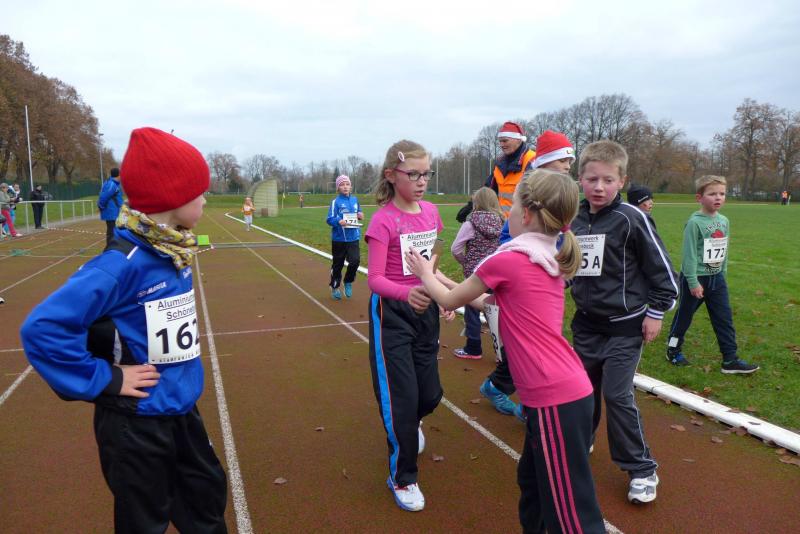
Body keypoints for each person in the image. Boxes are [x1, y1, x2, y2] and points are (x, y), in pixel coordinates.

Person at [20, 127, 228, 533]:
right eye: (199, 192)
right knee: (143, 521)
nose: (205, 199)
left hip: (181, 409)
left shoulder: (173, 248)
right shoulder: (119, 264)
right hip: (136, 422)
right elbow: (42, 328)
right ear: (172, 197)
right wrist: (106, 378)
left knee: (206, 505)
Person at [406, 169, 606, 533]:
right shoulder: (547, 253)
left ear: (526, 214)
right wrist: (439, 279)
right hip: (565, 391)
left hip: (554, 397)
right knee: (532, 486)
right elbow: (486, 302)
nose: (506, 214)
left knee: (572, 516)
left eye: (509, 207)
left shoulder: (509, 259)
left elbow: (451, 301)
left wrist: (424, 274)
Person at [570, 140, 678, 505]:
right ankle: (582, 440)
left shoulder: (632, 219)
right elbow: (569, 267)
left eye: (608, 180)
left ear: (622, 181)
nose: (599, 187)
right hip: (586, 325)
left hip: (625, 326)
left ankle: (641, 468)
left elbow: (664, 274)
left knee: (616, 395)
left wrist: (656, 313)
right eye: (592, 179)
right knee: (582, 391)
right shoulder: (574, 219)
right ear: (580, 179)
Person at [366, 139, 454, 512]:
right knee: (401, 400)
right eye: (413, 174)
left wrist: (445, 295)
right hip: (392, 315)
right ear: (392, 175)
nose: (421, 181)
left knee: (430, 394)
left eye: (426, 174)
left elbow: (431, 265)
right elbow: (374, 279)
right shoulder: (383, 220)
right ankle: (403, 478)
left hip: (426, 311)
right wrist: (407, 295)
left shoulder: (431, 212)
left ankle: (409, 423)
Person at [480, 129, 577, 419]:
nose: (568, 167)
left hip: (548, 280)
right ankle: (510, 392)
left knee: (538, 344)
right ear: (546, 163)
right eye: (563, 161)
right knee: (529, 345)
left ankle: (523, 397)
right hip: (525, 282)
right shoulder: (529, 194)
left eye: (570, 163)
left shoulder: (558, 194)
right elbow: (508, 236)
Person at [666, 175, 760, 374]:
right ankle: (673, 349)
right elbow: (689, 255)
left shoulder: (724, 221)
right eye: (712, 194)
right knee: (683, 317)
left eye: (722, 194)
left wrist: (722, 273)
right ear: (699, 198)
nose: (718, 197)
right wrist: (693, 281)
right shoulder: (694, 223)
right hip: (695, 279)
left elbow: (723, 247)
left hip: (717, 279)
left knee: (724, 319)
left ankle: (730, 360)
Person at [450, 187, 503, 359]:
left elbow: (455, 248)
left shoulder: (470, 223)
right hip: (496, 271)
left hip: (476, 273)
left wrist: (465, 261)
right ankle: (503, 353)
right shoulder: (502, 221)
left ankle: (473, 347)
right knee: (495, 309)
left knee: (472, 308)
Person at [326, 174, 363, 299]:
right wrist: (338, 221)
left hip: (353, 238)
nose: (345, 187)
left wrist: (360, 214)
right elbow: (329, 219)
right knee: (338, 265)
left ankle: (348, 281)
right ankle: (335, 286)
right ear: (338, 188)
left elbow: (359, 211)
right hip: (339, 239)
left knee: (355, 261)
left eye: (347, 184)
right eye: (342, 185)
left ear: (350, 186)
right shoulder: (335, 202)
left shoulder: (355, 200)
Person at [98, 167, 124, 245]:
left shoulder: (113, 184)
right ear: (118, 175)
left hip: (114, 213)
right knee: (112, 232)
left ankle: (113, 247)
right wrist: (101, 206)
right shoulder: (111, 184)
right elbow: (103, 197)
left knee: (114, 232)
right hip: (112, 213)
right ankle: (110, 248)